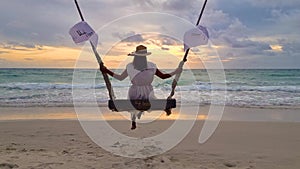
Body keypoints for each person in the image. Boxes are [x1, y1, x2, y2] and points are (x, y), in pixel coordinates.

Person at [100, 45, 182, 130]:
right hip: (146, 91)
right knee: (145, 103)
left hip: (138, 91)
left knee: (136, 105)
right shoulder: (142, 66)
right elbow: (163, 76)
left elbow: (120, 78)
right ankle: (138, 119)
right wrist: (175, 72)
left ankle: (134, 120)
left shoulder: (144, 66)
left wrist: (107, 71)